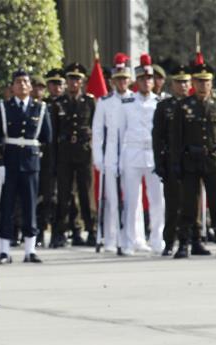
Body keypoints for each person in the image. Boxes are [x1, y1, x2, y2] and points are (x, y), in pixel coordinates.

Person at [170, 61, 216, 258]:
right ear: (193, 82)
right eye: (199, 81)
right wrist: (176, 163)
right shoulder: (184, 106)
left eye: (206, 81)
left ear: (211, 83)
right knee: (189, 205)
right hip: (190, 161)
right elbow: (176, 139)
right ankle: (184, 243)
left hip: (213, 160)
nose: (202, 85)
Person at [0, 68, 52, 263]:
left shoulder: (40, 108)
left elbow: (47, 137)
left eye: (26, 82)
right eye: (18, 82)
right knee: (6, 207)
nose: (23, 85)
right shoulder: (3, 107)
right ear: (12, 87)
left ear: (31, 86)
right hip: (9, 162)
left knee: (30, 206)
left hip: (31, 163)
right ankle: (3, 250)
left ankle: (30, 250)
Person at [107, 54, 164, 255]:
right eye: (142, 79)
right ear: (136, 81)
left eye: (149, 79)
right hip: (131, 154)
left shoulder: (159, 102)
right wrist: (115, 161)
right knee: (131, 201)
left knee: (158, 201)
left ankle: (157, 238)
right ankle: (129, 241)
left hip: (153, 155)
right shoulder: (127, 103)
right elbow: (117, 135)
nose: (146, 82)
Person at [93, 53, 134, 254]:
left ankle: (131, 237)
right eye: (118, 79)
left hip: (131, 154)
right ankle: (111, 237)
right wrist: (98, 158)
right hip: (110, 154)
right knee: (111, 199)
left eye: (125, 78)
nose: (122, 82)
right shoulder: (104, 102)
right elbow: (98, 131)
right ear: (113, 81)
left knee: (130, 200)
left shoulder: (134, 100)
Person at [51, 62, 96, 247]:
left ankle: (91, 232)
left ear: (82, 81)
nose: (73, 82)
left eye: (77, 79)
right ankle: (59, 233)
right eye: (70, 79)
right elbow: (53, 134)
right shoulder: (58, 103)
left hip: (84, 153)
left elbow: (95, 127)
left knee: (86, 194)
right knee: (64, 194)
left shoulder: (89, 101)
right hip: (64, 154)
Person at [153, 64, 195, 256]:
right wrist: (159, 163)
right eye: (179, 82)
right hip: (172, 160)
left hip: (193, 160)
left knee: (192, 203)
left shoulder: (195, 104)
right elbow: (158, 137)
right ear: (172, 84)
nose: (183, 86)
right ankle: (169, 241)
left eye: (186, 82)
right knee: (172, 204)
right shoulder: (164, 107)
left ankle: (194, 239)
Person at [40, 68, 66, 246]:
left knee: (63, 197)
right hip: (46, 157)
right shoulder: (43, 104)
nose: (56, 87)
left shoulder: (69, 103)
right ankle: (40, 232)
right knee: (45, 196)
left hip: (65, 157)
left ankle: (59, 233)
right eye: (53, 83)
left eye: (59, 83)